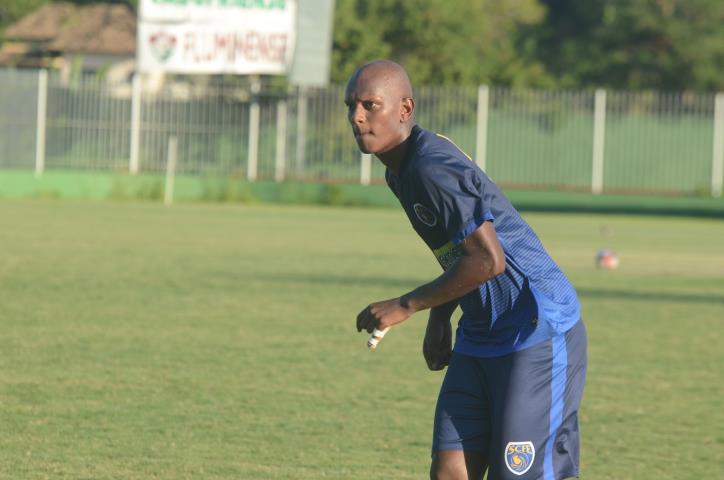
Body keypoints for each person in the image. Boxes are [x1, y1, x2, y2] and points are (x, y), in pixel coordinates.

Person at [348, 60, 587, 480]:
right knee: (450, 471)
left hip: (534, 327)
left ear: (405, 109)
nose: (357, 117)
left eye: (370, 105)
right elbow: (459, 252)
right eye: (351, 106)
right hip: (481, 332)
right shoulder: (400, 170)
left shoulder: (430, 166)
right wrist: (442, 316)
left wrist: (407, 305)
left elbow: (487, 260)